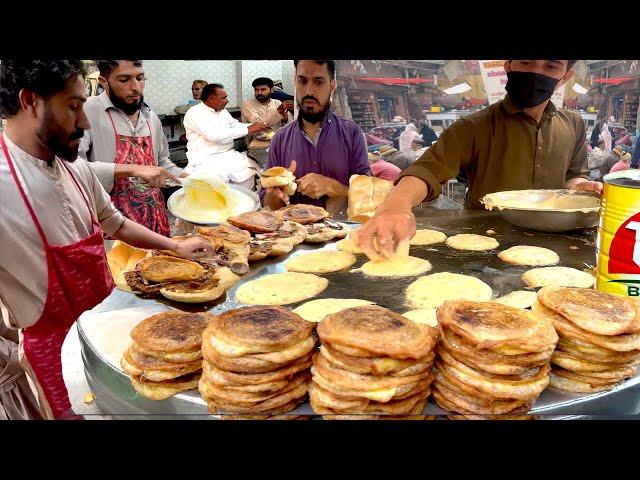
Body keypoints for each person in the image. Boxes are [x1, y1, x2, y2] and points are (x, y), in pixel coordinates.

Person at [0, 60, 212, 419]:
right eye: (73, 106)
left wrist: (176, 246)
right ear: (30, 102)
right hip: (52, 357)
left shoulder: (75, 168)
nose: (84, 122)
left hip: (109, 331)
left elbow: (115, 223)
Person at [353, 60, 602, 259]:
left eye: (551, 66)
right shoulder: (475, 127)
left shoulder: (574, 125)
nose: (536, 72)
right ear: (509, 66)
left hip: (558, 247)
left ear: (565, 77)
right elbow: (427, 169)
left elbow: (573, 177)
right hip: (486, 249)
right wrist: (397, 204)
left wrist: (581, 187)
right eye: (526, 63)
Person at [79, 60, 184, 236]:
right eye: (124, 80)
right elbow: (73, 168)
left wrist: (190, 178)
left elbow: (162, 163)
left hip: (155, 219)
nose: (136, 87)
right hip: (113, 225)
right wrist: (133, 170)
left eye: (140, 78)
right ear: (104, 81)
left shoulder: (151, 117)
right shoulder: (88, 111)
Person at [260, 60, 370, 212]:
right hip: (295, 231)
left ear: (332, 86)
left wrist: (333, 187)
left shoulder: (352, 133)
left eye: (318, 82)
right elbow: (269, 206)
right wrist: (275, 191)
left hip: (343, 230)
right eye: (302, 81)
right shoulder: (280, 139)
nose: (309, 91)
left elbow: (367, 194)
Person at [183, 82, 269, 189]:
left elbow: (235, 125)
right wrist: (248, 129)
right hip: (205, 158)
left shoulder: (222, 111)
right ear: (211, 99)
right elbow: (213, 135)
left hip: (228, 155)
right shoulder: (195, 113)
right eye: (224, 98)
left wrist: (255, 126)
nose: (227, 100)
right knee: (215, 188)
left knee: (249, 173)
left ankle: (244, 202)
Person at [241, 77, 294, 144]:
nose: (259, 93)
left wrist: (285, 119)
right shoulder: (247, 105)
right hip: (256, 143)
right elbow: (258, 124)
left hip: (278, 141)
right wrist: (278, 111)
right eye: (256, 90)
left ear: (271, 90)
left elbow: (290, 124)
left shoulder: (277, 103)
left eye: (263, 90)